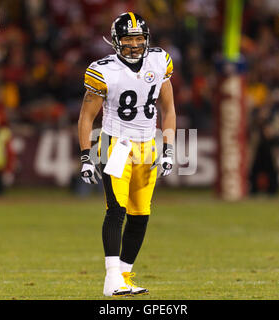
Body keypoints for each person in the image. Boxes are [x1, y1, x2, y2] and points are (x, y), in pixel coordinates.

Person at [77, 12, 176, 297]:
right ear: (116, 41)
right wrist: (86, 156)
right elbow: (87, 117)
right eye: (128, 38)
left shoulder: (159, 61)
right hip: (116, 144)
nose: (134, 44)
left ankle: (124, 277)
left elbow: (168, 109)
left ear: (147, 39)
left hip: (148, 145)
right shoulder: (103, 70)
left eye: (138, 38)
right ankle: (111, 279)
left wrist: (168, 148)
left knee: (141, 214)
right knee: (116, 209)